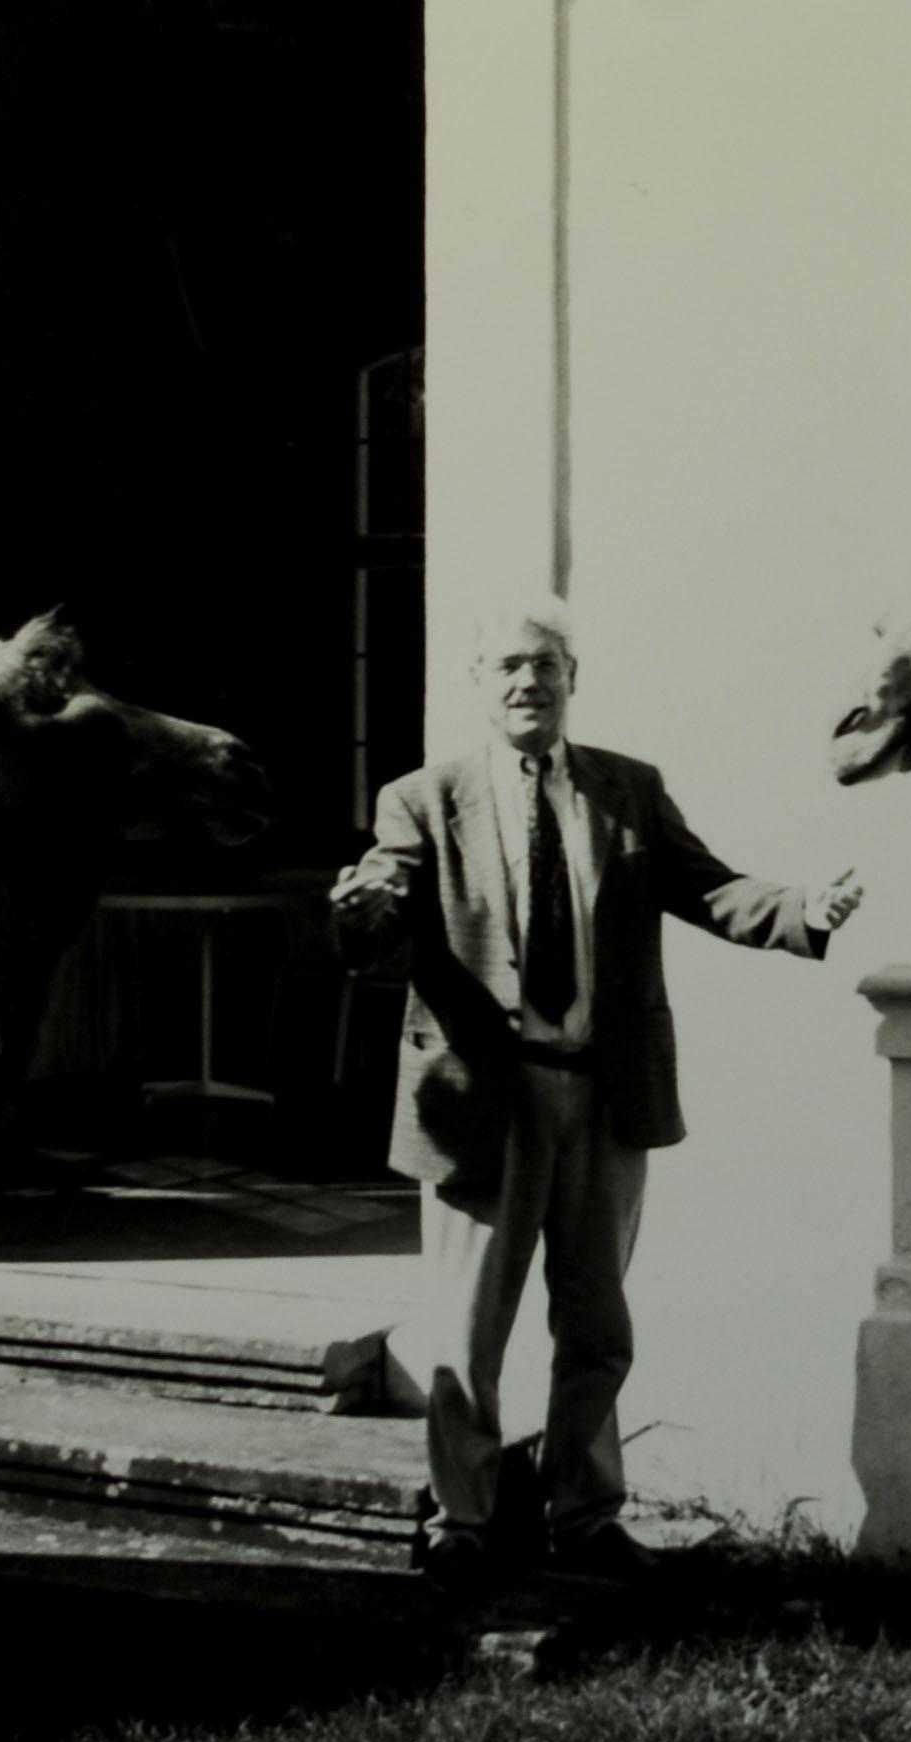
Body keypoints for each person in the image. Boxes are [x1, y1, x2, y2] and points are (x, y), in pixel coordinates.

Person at [331, 599, 863, 1588]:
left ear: (572, 679)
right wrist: (364, 909)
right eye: (507, 668)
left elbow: (706, 886)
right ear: (478, 683)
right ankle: (462, 1520)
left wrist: (798, 907)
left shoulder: (627, 788)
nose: (527, 683)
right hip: (481, 1099)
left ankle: (586, 1515)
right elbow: (387, 899)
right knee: (467, 1329)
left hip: (604, 1096)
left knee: (596, 1320)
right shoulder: (421, 797)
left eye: (545, 666)